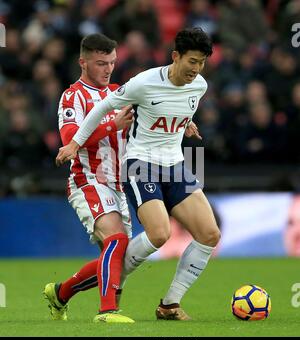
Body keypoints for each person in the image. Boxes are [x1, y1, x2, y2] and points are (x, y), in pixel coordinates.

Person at [56, 28, 220, 320]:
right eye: (192, 62)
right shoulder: (143, 82)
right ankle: (113, 289)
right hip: (140, 164)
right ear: (176, 56)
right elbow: (104, 107)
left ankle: (169, 305)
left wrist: (185, 124)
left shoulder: (200, 86)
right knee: (159, 234)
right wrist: (75, 143)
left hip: (176, 164)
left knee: (209, 234)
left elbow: (181, 106)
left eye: (202, 63)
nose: (196, 69)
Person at [43, 33, 141, 324]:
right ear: (83, 62)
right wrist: (112, 124)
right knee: (117, 239)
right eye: (100, 63)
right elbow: (70, 139)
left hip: (120, 184)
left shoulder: (119, 92)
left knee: (114, 260)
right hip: (88, 180)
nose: (108, 69)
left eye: (111, 62)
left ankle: (60, 293)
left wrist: (184, 120)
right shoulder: (73, 96)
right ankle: (107, 312)